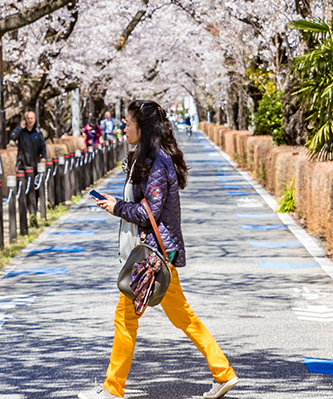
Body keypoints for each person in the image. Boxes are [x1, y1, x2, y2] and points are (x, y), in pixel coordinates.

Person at [80, 100, 238, 399]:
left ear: (143, 126)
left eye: (127, 123)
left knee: (125, 318)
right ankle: (223, 372)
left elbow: (150, 211)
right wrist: (119, 202)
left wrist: (117, 207)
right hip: (159, 252)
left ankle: (113, 389)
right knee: (183, 317)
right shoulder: (148, 157)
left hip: (154, 254)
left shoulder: (157, 162)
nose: (123, 127)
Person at [11, 109, 48, 174]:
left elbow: (43, 147)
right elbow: (12, 137)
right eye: (28, 118)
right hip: (22, 166)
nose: (30, 120)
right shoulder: (21, 132)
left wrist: (43, 157)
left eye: (31, 118)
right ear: (25, 120)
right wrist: (20, 127)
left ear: (34, 120)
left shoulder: (38, 133)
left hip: (34, 166)